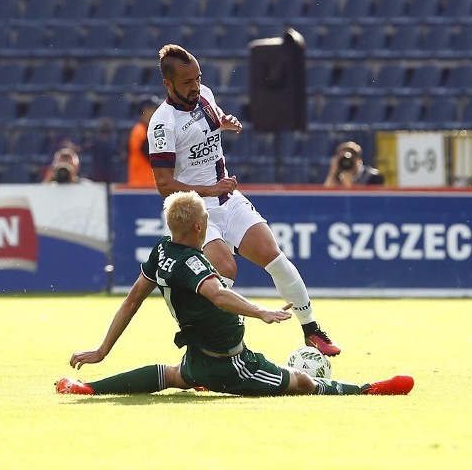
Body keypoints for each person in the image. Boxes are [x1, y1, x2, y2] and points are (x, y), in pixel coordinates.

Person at [55, 191, 413, 396]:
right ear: (199, 226)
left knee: (172, 375)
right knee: (302, 382)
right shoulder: (194, 265)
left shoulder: (161, 251)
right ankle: (370, 389)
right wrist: (263, 313)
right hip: (230, 365)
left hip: (196, 357)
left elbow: (133, 300)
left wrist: (102, 350)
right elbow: (219, 296)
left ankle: (89, 389)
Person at [146, 44, 341, 356]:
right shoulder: (161, 124)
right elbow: (164, 184)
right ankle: (207, 344)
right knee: (226, 269)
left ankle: (311, 329)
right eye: (187, 82)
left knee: (273, 256)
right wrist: (212, 189)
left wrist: (225, 121)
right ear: (168, 84)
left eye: (198, 78)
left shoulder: (204, 94)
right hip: (197, 210)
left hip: (227, 198)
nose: (195, 85)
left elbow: (210, 120)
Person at [127, 96, 161, 186]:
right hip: (142, 185)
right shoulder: (140, 131)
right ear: (144, 112)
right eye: (152, 109)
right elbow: (154, 155)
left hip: (149, 184)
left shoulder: (147, 129)